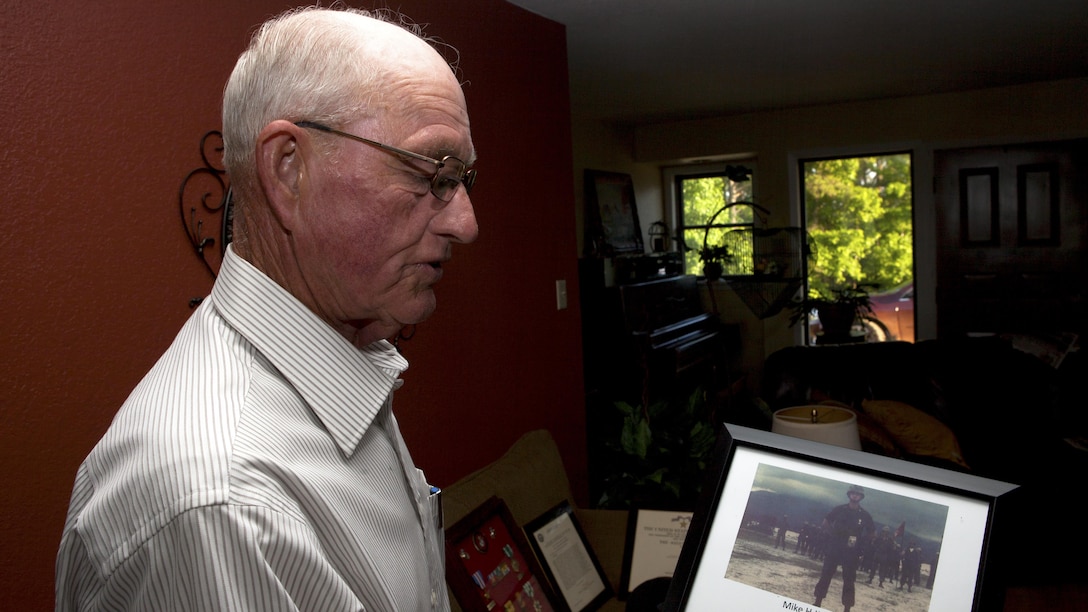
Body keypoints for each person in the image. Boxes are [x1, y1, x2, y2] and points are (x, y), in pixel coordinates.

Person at [55, 6, 478, 611]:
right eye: (433, 171)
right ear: (288, 171)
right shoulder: (226, 505)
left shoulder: (346, 362)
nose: (466, 222)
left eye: (464, 178)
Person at [813, 485, 875, 612]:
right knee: (826, 574)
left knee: (849, 579)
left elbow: (872, 533)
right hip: (835, 547)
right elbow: (826, 522)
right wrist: (833, 536)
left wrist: (860, 542)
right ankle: (817, 601)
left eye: (858, 494)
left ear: (861, 497)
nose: (855, 495)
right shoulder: (840, 509)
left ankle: (847, 608)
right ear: (849, 495)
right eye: (853, 493)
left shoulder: (864, 515)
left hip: (852, 551)